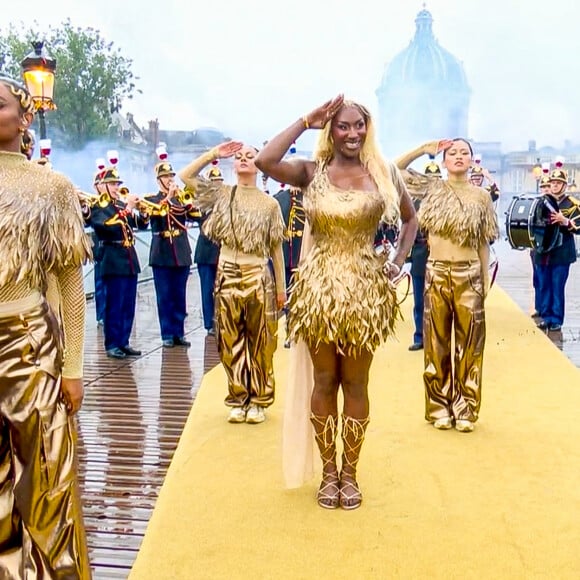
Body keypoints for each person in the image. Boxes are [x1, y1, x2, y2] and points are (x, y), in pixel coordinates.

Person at [255, 94, 417, 510]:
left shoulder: (383, 174)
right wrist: (305, 121)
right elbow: (265, 162)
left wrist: (398, 261)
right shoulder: (312, 172)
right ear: (331, 130)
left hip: (365, 292)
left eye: (358, 126)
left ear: (368, 128)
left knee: (356, 383)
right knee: (324, 381)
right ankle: (329, 471)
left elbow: (410, 219)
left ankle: (351, 473)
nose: (351, 133)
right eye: (342, 126)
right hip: (319, 292)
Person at [0, 76, 92, 577]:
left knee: (47, 477)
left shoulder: (51, 187)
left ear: (25, 117)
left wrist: (73, 367)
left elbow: (70, 283)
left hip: (29, 346)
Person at [178, 141, 286, 425]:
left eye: (250, 156)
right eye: (239, 156)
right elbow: (186, 177)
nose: (243, 159)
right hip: (227, 273)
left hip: (257, 275)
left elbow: (276, 249)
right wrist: (213, 154)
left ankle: (259, 400)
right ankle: (238, 397)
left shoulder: (270, 203)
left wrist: (282, 289)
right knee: (229, 340)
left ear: (260, 162)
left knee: (261, 341)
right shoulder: (222, 194)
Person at [417, 138, 499, 433]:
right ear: (444, 159)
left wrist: (485, 280)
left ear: (472, 160)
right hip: (436, 272)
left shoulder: (481, 197)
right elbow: (393, 172)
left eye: (465, 153)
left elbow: (483, 241)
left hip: (470, 273)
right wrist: (421, 149)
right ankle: (439, 406)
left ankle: (465, 408)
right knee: (436, 344)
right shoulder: (432, 188)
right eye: (453, 153)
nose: (459, 157)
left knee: (471, 346)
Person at [83, 165, 149, 359]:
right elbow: (106, 227)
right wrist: (128, 208)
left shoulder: (120, 205)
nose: (115, 187)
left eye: (117, 183)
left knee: (128, 303)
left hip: (128, 258)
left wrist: (143, 213)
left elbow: (139, 224)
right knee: (115, 304)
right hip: (112, 256)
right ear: (101, 186)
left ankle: (124, 341)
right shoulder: (98, 207)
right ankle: (112, 343)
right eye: (111, 183)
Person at [394, 140, 451, 351]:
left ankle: (441, 339)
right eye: (428, 178)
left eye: (436, 179)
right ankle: (420, 337)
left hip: (446, 255)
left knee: (443, 301)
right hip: (420, 254)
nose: (432, 183)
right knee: (420, 300)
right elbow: (396, 169)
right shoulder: (415, 197)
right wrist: (420, 150)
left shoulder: (449, 195)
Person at [143, 160, 198, 347]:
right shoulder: (151, 199)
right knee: (164, 295)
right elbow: (156, 213)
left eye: (171, 176)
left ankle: (179, 333)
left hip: (181, 252)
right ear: (159, 180)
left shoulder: (180, 199)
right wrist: (168, 197)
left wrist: (184, 199)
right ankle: (167, 333)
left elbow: (195, 215)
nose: (170, 179)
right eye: (166, 177)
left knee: (179, 294)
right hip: (162, 252)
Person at [534, 166, 580, 331]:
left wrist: (565, 221)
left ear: (564, 185)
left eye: (558, 183)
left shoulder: (572, 204)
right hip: (543, 252)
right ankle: (546, 317)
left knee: (557, 286)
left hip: (561, 252)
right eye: (552, 182)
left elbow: (579, 227)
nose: (554, 185)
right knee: (544, 285)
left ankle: (556, 319)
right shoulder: (540, 202)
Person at [193, 166, 222, 336]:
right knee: (207, 289)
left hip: (221, 253)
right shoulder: (201, 203)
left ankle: (220, 319)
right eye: (214, 183)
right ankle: (209, 322)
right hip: (206, 252)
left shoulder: (225, 203)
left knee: (221, 289)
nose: (217, 186)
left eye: (219, 182)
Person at [530, 173, 552, 318]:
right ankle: (539, 307)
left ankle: (545, 309)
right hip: (535, 247)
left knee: (546, 280)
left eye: (548, 186)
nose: (545, 189)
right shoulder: (536, 203)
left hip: (549, 247)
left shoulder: (553, 204)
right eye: (543, 186)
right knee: (537, 279)